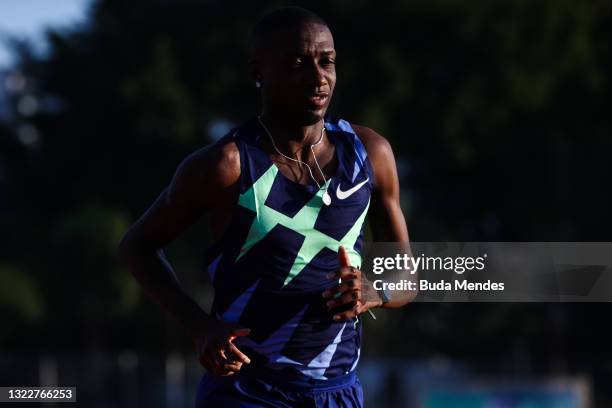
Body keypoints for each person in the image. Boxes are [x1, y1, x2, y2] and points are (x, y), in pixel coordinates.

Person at [119, 6, 413, 407]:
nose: (318, 78)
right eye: (296, 65)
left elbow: (406, 276)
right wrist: (200, 328)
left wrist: (374, 292)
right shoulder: (226, 166)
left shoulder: (370, 154)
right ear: (258, 71)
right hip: (246, 390)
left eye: (327, 62)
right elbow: (137, 246)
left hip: (337, 391)